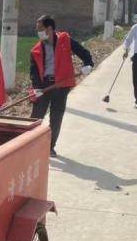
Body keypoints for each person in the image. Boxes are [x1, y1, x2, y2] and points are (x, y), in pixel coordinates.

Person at [30, 15, 94, 157]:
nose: (38, 32)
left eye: (40, 29)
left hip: (62, 85)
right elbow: (33, 71)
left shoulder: (65, 40)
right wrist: (37, 87)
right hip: (44, 85)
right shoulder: (36, 50)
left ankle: (50, 147)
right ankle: (30, 145)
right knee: (36, 117)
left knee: (56, 117)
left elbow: (83, 53)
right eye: (37, 29)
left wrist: (88, 65)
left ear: (49, 29)